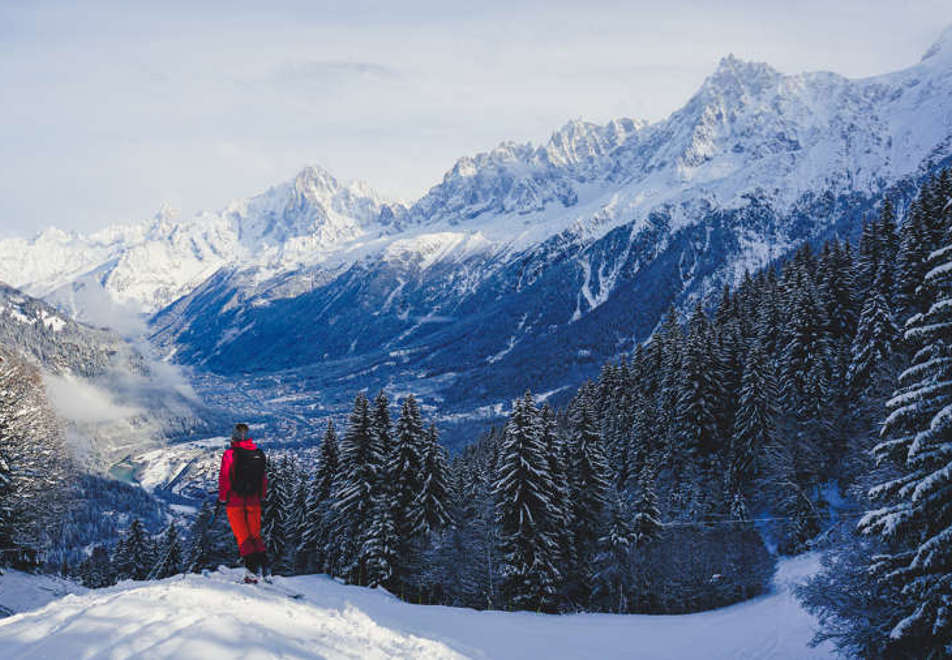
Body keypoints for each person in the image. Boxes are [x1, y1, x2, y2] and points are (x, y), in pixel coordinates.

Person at [218, 423, 270, 583]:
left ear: (233, 438)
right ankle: (266, 569)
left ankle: (251, 574)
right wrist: (261, 495)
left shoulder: (230, 454)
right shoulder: (258, 453)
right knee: (255, 535)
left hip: (235, 501)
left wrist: (223, 497)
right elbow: (263, 478)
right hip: (254, 500)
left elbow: (225, 477)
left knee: (243, 537)